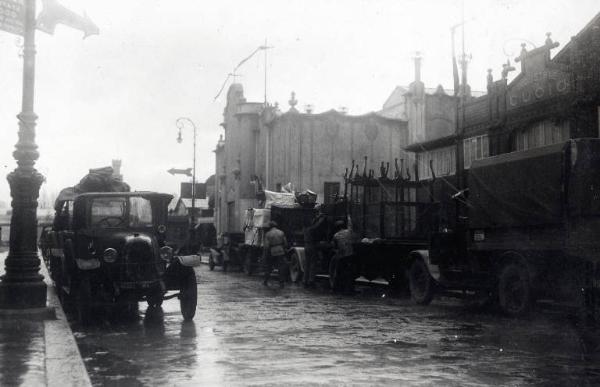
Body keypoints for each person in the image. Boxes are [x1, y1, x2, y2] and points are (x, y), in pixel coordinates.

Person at [303, 207, 328, 288]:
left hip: (306, 246)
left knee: (307, 264)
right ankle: (311, 280)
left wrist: (317, 218)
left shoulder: (305, 229)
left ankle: (305, 280)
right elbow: (317, 226)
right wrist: (322, 218)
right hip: (312, 246)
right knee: (313, 264)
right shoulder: (311, 229)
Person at [330, 220, 355, 292]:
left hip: (341, 257)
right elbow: (351, 225)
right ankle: (350, 289)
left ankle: (336, 288)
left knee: (339, 273)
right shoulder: (349, 232)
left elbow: (334, 247)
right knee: (350, 273)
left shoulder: (336, 235)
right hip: (350, 255)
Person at [263, 221, 288, 288]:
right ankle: (281, 283)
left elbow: (267, 246)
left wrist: (266, 254)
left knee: (269, 266)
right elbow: (285, 243)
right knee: (281, 267)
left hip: (272, 251)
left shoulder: (268, 234)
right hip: (280, 250)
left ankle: (265, 281)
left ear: (270, 227)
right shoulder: (281, 232)